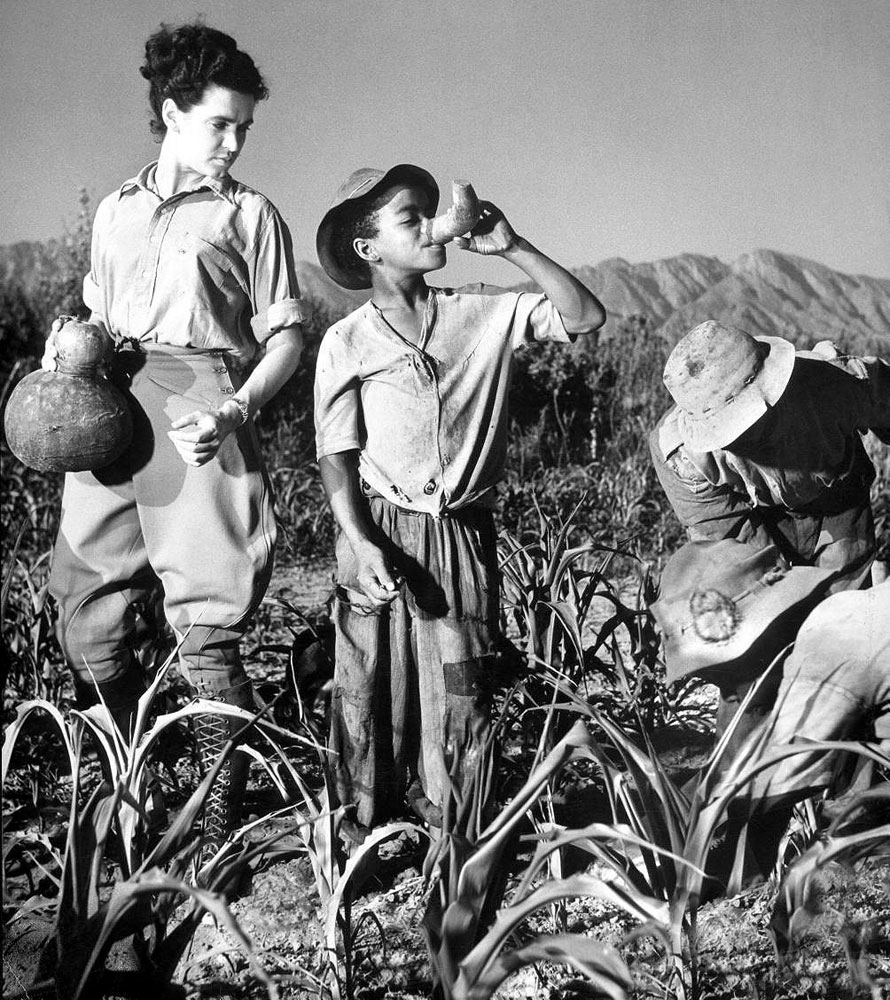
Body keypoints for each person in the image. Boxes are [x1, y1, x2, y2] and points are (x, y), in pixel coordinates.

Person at [44, 22, 308, 851]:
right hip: (107, 404)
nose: (234, 143)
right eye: (220, 124)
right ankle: (135, 773)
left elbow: (288, 341)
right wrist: (67, 343)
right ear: (172, 112)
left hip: (200, 400)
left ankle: (219, 819)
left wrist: (234, 413)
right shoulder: (118, 209)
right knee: (87, 617)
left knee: (207, 617)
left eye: (244, 129)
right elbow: (96, 307)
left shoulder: (252, 216)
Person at [313, 164, 606, 839]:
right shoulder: (347, 341)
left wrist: (512, 246)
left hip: (459, 530)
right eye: (409, 218)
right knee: (366, 681)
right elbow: (336, 457)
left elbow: (585, 316)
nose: (429, 224)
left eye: (427, 211)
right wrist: (361, 543)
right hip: (377, 527)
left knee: (463, 682)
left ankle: (454, 825)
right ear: (369, 249)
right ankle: (360, 829)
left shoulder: (481, 311)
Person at [651, 538, 889, 889]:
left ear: (765, 633)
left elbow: (775, 784)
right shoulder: (848, 609)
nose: (729, 693)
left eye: (726, 674)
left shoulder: (827, 646)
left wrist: (677, 832)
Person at [649, 321, 890, 593]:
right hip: (754, 512)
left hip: (838, 495)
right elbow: (726, 535)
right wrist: (773, 587)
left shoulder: (833, 383)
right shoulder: (680, 457)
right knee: (763, 601)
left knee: (842, 606)